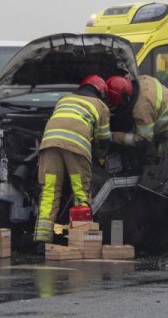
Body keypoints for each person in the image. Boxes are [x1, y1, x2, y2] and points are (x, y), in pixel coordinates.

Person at [34, 75, 111, 254]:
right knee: (80, 192)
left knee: (49, 192)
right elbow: (104, 140)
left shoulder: (64, 99)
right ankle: (81, 240)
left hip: (49, 146)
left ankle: (41, 241)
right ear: (100, 92)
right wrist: (100, 158)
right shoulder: (100, 106)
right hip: (76, 150)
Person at [106, 74, 168, 163]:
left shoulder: (142, 108)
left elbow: (143, 140)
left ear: (125, 99)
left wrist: (113, 136)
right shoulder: (143, 80)